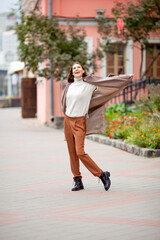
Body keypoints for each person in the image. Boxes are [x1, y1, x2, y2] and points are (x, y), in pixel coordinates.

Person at [61, 62, 133, 191]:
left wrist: (126, 77)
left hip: (79, 121)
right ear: (71, 73)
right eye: (73, 68)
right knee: (72, 153)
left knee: (80, 152)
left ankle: (101, 174)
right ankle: (77, 180)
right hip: (68, 121)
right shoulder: (69, 86)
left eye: (78, 67)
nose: (76, 69)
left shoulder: (89, 85)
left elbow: (107, 81)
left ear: (83, 71)